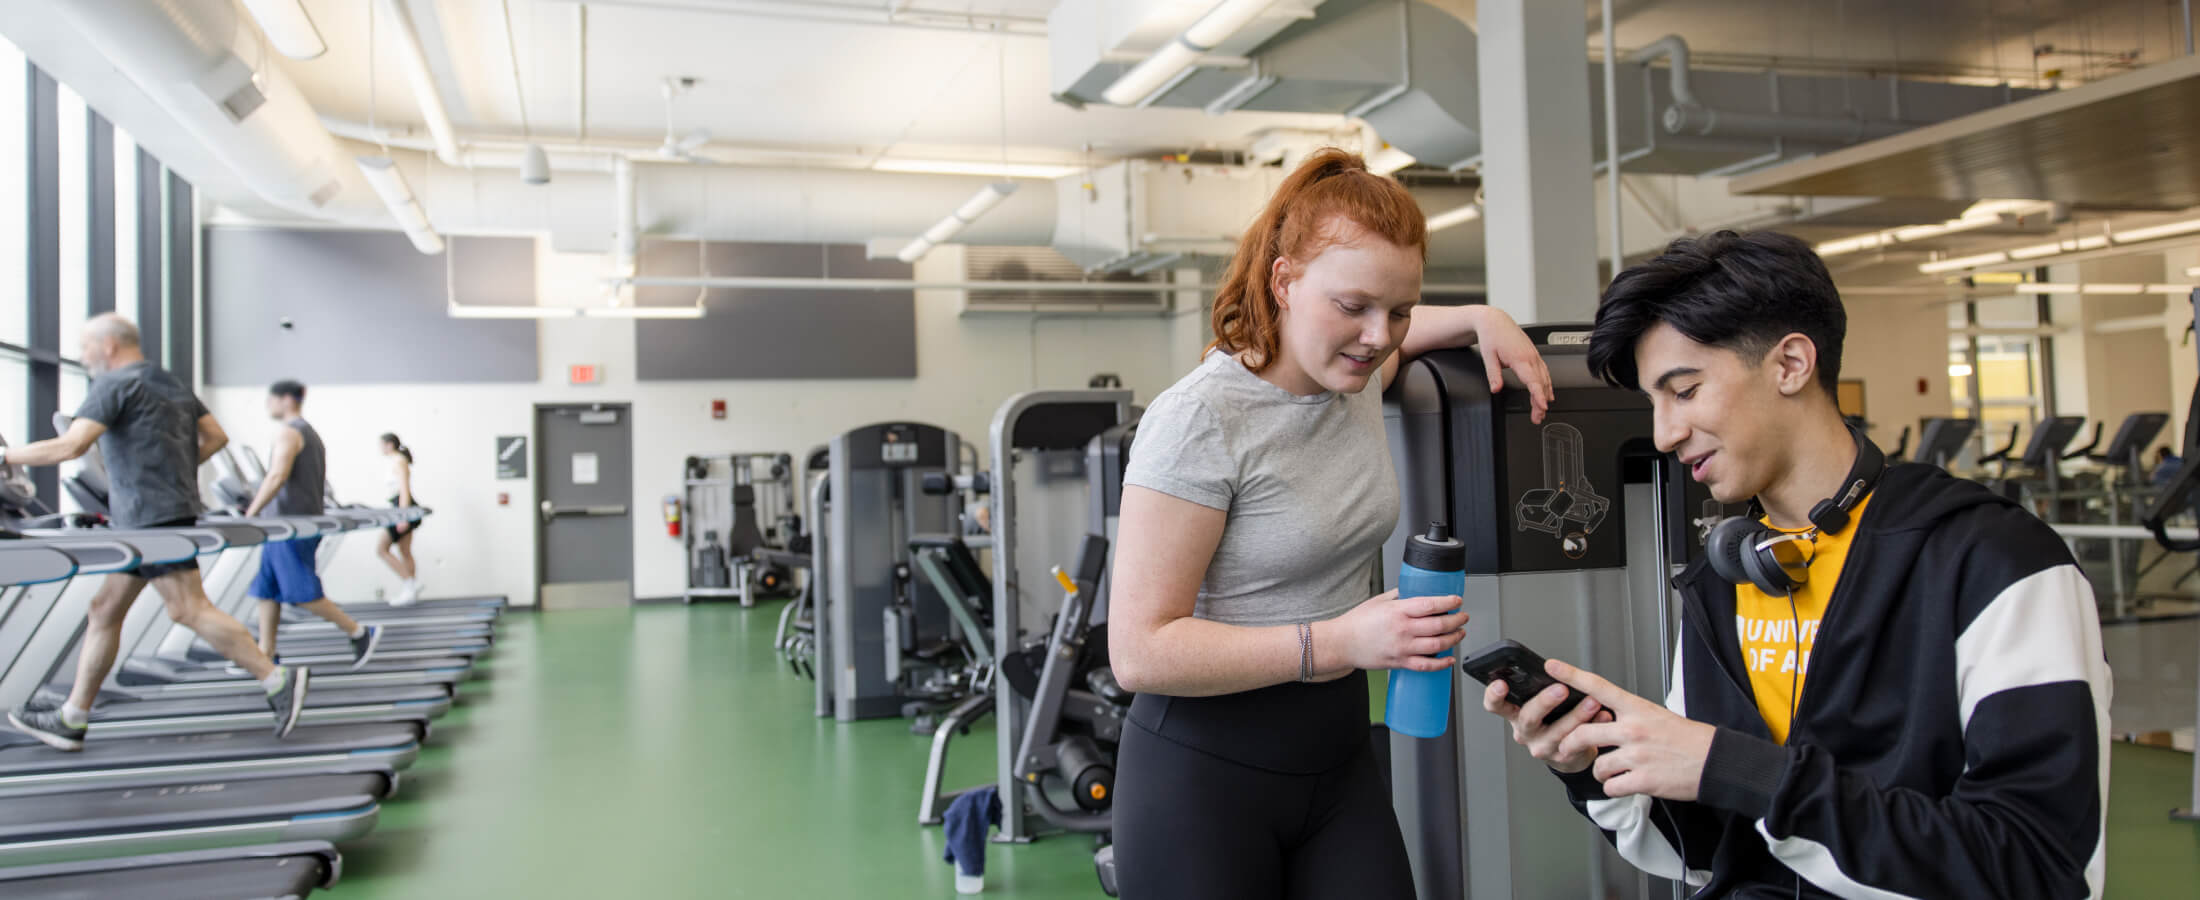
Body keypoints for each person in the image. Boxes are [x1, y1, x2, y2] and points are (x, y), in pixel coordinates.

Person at [1482, 231, 2110, 897]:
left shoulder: (1998, 564)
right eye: (1654, 404)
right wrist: (1598, 769)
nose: (1663, 434)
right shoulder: (1721, 583)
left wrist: (1744, 770)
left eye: (1685, 390)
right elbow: (1709, 851)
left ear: (1790, 364)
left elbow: (2037, 868)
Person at [1106, 148, 1555, 899]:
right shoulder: (1199, 419)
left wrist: (1483, 316)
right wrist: (1342, 641)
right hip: (1204, 779)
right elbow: (1140, 652)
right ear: (1284, 281)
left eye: (1400, 308)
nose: (1380, 335)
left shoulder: (1348, 375)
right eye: (1353, 307)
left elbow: (1387, 332)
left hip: (1338, 759)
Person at [3, 314, 311, 750]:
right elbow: (215, 436)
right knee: (105, 609)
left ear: (108, 345)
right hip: (155, 514)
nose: (83, 355)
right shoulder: (168, 382)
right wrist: (175, 472)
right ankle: (73, 716)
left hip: (148, 519)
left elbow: (71, 445)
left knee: (188, 609)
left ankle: (276, 677)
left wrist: (6, 455)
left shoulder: (113, 385)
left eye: (86, 346)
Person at [242, 380, 382, 667]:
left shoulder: (290, 432)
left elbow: (277, 475)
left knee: (302, 595)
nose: (268, 406)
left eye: (271, 400)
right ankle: (265, 654)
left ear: (286, 400)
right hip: (283, 525)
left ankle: (359, 631)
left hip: (291, 525)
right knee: (266, 591)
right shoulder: (310, 434)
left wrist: (251, 512)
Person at [376, 433, 425, 606]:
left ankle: (410, 584)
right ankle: (410, 588)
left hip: (403, 507)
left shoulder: (399, 461)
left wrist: (403, 516)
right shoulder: (395, 461)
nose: (380, 448)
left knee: (382, 549)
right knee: (405, 550)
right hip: (398, 507)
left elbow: (404, 490)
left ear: (389, 445)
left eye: (381, 445)